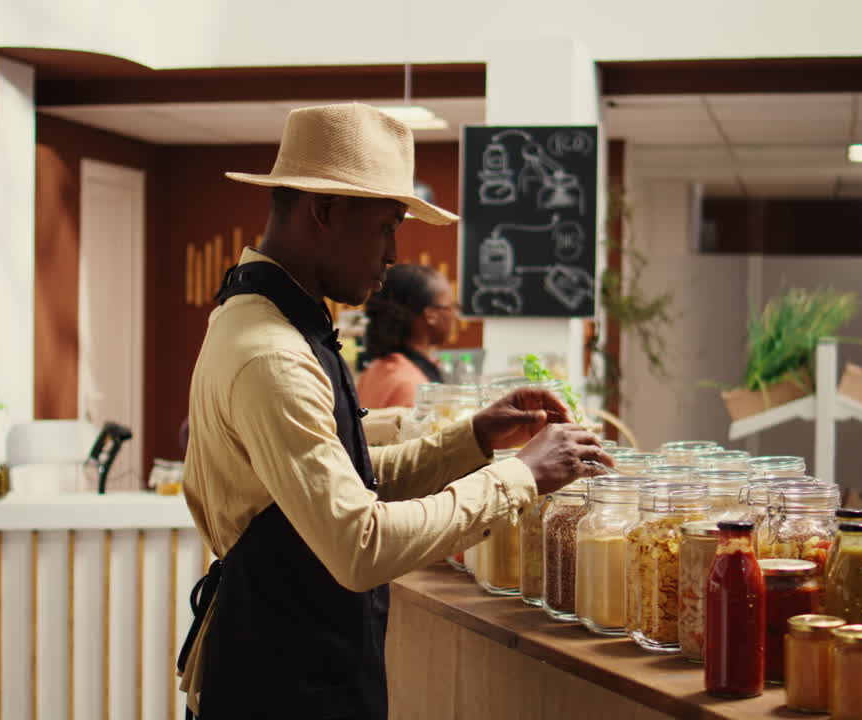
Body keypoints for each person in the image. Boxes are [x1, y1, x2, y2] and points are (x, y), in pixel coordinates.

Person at [176, 103, 611, 720]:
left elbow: (345, 477)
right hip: (282, 686)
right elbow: (360, 544)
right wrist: (523, 476)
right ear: (322, 212)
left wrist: (475, 437)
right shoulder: (271, 353)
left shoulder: (268, 321)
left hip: (300, 666)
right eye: (386, 226)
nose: (394, 253)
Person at [356, 263, 455, 408]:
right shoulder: (415, 388)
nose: (455, 315)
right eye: (452, 307)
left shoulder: (374, 370)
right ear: (431, 315)